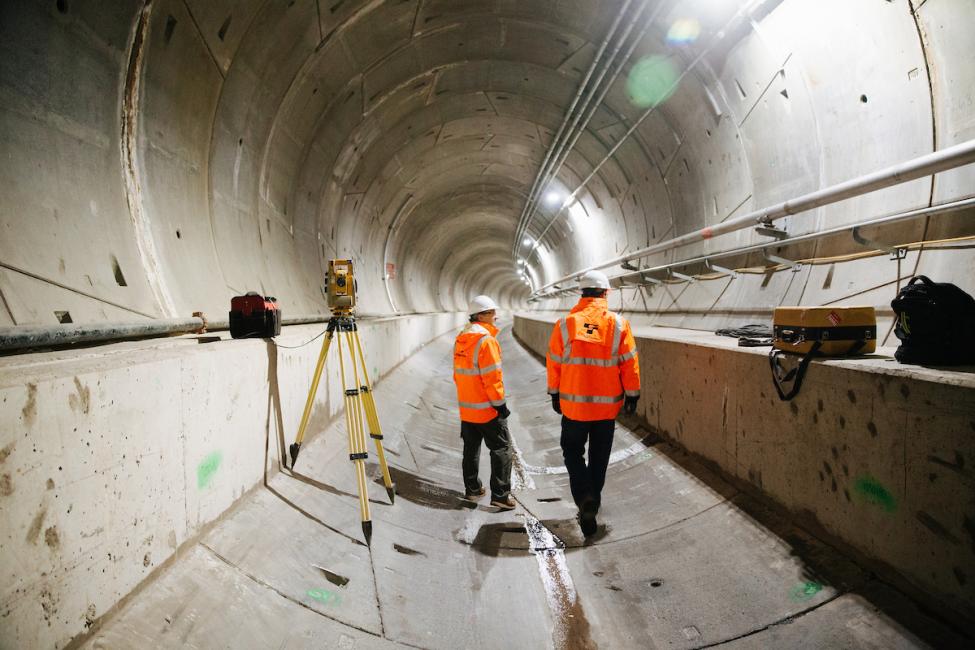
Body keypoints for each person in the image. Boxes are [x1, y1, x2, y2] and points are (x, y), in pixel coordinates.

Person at [546, 270, 640, 536]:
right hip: (606, 408)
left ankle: (584, 497)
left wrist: (554, 392)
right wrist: (633, 394)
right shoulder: (619, 324)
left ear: (582, 293)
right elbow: (629, 362)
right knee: (599, 458)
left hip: (574, 407)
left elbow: (554, 361)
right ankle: (592, 503)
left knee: (572, 452)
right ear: (606, 293)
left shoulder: (565, 324)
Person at [453, 295, 515, 510]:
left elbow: (458, 375)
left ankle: (472, 489)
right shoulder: (486, 340)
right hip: (487, 408)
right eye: (491, 313)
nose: (495, 317)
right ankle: (500, 494)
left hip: (467, 407)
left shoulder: (462, 338)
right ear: (481, 316)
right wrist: (500, 405)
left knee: (471, 449)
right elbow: (492, 377)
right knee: (502, 449)